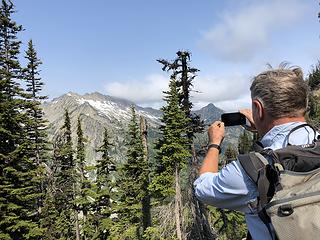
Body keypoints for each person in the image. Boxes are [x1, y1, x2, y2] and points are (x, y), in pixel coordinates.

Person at [194, 65, 318, 240]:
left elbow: (202, 188)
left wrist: (214, 144)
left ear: (258, 108)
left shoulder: (252, 171)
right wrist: (264, 130)